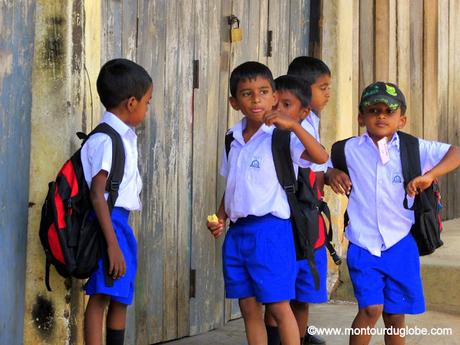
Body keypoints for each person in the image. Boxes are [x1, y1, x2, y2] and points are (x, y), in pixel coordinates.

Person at [326, 81, 460, 345]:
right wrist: (331, 173)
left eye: (389, 111)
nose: (381, 115)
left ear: (402, 119)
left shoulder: (414, 148)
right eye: (373, 110)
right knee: (370, 309)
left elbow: (455, 153)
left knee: (395, 316)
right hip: (363, 245)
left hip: (400, 243)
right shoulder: (347, 150)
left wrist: (429, 176)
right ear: (360, 117)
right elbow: (320, 169)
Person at [207, 61, 329, 345]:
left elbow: (321, 157)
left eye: (263, 91)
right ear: (234, 102)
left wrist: (295, 126)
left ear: (274, 97)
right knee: (248, 307)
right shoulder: (232, 138)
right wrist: (220, 216)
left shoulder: (283, 136)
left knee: (277, 305)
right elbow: (233, 185)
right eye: (247, 93)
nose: (256, 99)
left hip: (272, 231)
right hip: (238, 233)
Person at [81, 58, 153, 345]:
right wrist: (111, 245)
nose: (148, 109)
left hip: (119, 223)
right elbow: (97, 194)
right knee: (101, 295)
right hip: (106, 225)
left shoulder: (123, 137)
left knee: (121, 294)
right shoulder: (106, 140)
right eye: (148, 102)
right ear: (132, 103)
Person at [263, 75, 329, 345]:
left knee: (302, 295)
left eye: (286, 104)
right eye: (276, 102)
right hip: (280, 226)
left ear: (303, 111)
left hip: (305, 222)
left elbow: (320, 158)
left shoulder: (297, 135)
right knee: (276, 296)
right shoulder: (263, 135)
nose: (278, 109)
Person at [285, 56, 333, 345]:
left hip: (310, 210)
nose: (328, 93)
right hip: (297, 211)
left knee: (304, 286)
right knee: (287, 288)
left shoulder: (311, 121)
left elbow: (318, 164)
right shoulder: (291, 125)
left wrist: (330, 173)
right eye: (323, 87)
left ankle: (300, 335)